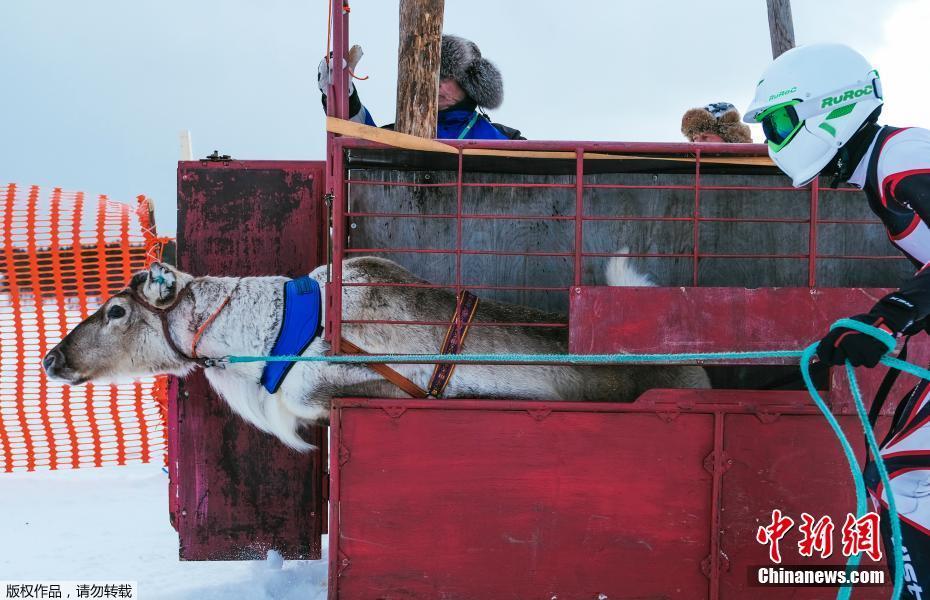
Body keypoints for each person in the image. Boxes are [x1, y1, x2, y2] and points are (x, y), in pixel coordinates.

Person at [744, 43, 930, 598]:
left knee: (907, 483)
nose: (772, 139)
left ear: (828, 107)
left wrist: (893, 315)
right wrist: (871, 327)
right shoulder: (887, 170)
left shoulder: (903, 154)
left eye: (779, 121)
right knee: (899, 479)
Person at [318, 35, 523, 140]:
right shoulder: (404, 130)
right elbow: (356, 139)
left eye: (447, 76)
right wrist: (343, 93)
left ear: (469, 84)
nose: (436, 82)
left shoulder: (505, 138)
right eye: (433, 75)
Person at [680, 102, 753, 143]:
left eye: (705, 137)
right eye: (695, 138)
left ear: (729, 138)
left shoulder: (755, 164)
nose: (697, 143)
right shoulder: (686, 167)